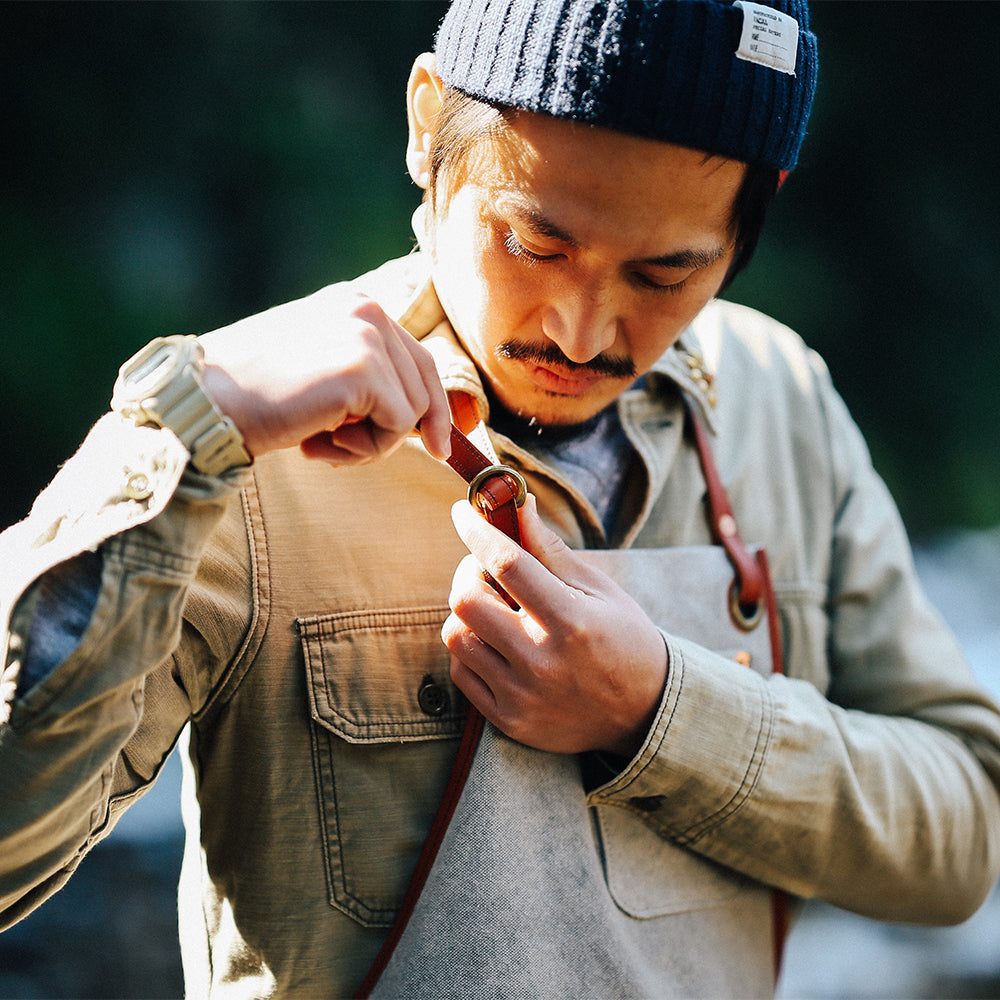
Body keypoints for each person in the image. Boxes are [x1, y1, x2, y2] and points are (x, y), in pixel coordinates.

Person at [2, 0, 999, 996]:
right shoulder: (245, 433)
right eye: (534, 243)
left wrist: (658, 708)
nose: (579, 330)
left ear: (757, 207)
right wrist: (178, 440)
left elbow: (966, 834)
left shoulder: (780, 399)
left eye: (664, 275)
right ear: (427, 125)